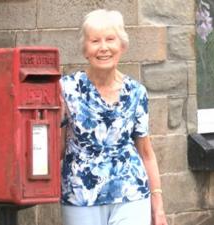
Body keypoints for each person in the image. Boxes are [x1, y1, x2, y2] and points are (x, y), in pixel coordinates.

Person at [59, 9, 167, 225]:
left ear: (122, 46)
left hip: (131, 193)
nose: (103, 48)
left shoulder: (136, 92)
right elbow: (57, 149)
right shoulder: (66, 89)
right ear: (85, 49)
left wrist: (158, 207)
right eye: (95, 41)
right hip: (81, 196)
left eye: (110, 39)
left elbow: (146, 152)